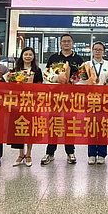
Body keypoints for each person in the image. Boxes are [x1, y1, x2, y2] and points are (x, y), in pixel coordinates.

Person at [41, 33, 84, 165]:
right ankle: (50, 152)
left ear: (72, 43)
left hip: (71, 98)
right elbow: (46, 75)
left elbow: (83, 76)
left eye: (68, 41)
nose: (66, 43)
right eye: (64, 41)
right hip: (55, 97)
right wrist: (56, 79)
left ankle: (70, 152)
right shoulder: (53, 58)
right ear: (60, 43)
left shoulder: (78, 59)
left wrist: (73, 81)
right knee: (54, 124)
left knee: (70, 124)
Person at [10, 47, 43, 167]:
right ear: (22, 56)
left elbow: (40, 86)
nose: (28, 56)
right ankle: (20, 154)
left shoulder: (37, 70)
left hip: (31, 104)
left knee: (30, 129)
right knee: (20, 127)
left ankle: (28, 154)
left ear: (33, 57)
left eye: (30, 54)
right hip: (18, 104)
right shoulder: (16, 70)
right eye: (26, 54)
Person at [86, 42, 108, 165]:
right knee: (91, 127)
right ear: (92, 51)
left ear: (103, 51)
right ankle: (91, 154)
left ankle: (102, 154)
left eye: (100, 49)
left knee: (103, 127)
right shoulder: (87, 65)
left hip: (104, 100)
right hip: (90, 100)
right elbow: (82, 81)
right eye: (96, 49)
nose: (97, 51)